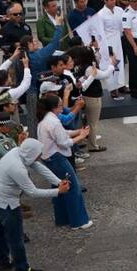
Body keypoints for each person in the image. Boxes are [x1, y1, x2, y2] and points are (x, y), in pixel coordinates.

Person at [0, 138, 69, 271]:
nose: (40, 156)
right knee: (16, 238)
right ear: (31, 153)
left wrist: (58, 181)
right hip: (8, 205)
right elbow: (32, 192)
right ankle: (22, 270)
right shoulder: (17, 168)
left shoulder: (17, 152)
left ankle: (3, 263)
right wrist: (58, 192)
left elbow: (39, 167)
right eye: (38, 153)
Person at [36, 93, 92, 229]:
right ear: (54, 107)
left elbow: (63, 133)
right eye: (60, 105)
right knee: (72, 187)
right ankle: (79, 221)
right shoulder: (54, 122)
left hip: (48, 158)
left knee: (58, 189)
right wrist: (82, 135)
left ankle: (63, 219)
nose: (62, 108)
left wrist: (78, 131)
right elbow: (64, 142)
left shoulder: (45, 120)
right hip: (57, 158)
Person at [69, 44, 113, 150]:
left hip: (85, 97)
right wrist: (111, 65)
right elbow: (105, 75)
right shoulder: (90, 69)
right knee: (92, 123)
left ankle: (83, 139)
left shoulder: (80, 66)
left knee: (85, 120)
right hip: (93, 97)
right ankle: (93, 145)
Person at [93, 0, 127, 99]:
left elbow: (123, 25)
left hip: (118, 39)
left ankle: (121, 85)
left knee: (120, 63)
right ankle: (112, 89)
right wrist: (104, 46)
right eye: (111, 0)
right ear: (105, 1)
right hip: (107, 42)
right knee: (111, 65)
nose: (114, 1)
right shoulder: (100, 14)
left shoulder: (119, 10)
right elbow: (99, 32)